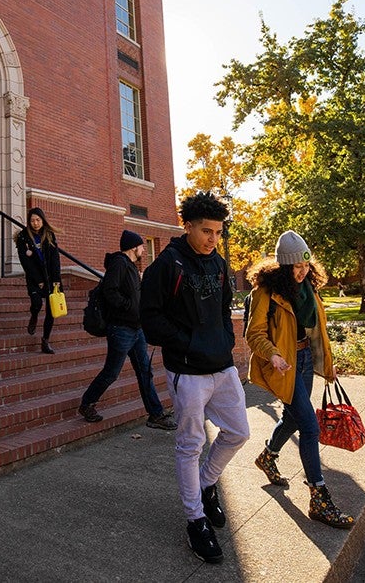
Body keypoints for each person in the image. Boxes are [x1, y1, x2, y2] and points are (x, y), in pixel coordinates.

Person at [140, 191, 249, 565]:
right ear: (187, 226)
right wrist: (186, 342)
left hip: (222, 366)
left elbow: (222, 309)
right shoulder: (166, 264)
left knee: (239, 433)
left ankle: (206, 485)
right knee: (191, 445)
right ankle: (195, 520)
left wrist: (225, 342)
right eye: (207, 231)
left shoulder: (217, 262)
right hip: (187, 371)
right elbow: (150, 318)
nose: (213, 239)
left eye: (218, 232)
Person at [245, 231, 355, 530]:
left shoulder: (309, 288)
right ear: (283, 267)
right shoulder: (265, 293)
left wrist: (327, 365)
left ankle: (268, 456)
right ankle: (319, 497)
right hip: (283, 364)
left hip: (304, 361)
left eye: (306, 265)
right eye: (296, 266)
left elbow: (318, 329)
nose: (303, 270)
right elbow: (253, 334)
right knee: (310, 425)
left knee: (293, 418)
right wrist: (273, 355)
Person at [77, 230, 176, 430]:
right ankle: (87, 403)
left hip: (136, 329)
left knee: (144, 372)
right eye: (141, 246)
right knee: (112, 372)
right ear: (133, 247)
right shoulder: (119, 263)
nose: (142, 249)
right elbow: (109, 291)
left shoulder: (130, 265)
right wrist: (128, 307)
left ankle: (155, 415)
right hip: (121, 329)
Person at [15, 207, 62, 355]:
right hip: (34, 277)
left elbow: (55, 259)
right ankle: (34, 316)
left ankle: (45, 341)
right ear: (29, 222)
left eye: (38, 220)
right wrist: (39, 280)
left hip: (50, 278)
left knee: (51, 311)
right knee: (36, 303)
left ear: (42, 220)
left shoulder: (49, 235)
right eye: (32, 220)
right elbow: (25, 262)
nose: (35, 223)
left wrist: (56, 281)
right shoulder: (23, 237)